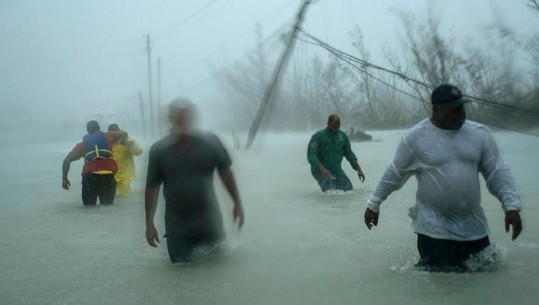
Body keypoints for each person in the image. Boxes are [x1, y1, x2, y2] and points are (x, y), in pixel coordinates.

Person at [364, 83, 523, 271]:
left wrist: (511, 206)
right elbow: (394, 174)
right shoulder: (415, 138)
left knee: (483, 285)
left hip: (474, 229)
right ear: (436, 109)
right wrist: (374, 204)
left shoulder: (480, 134)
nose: (459, 113)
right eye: (453, 109)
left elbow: (497, 172)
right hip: (433, 232)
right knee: (441, 289)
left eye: (461, 107)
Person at [144, 98, 245, 263]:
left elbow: (226, 173)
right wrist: (149, 223)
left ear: (193, 119)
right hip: (177, 229)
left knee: (218, 275)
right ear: (171, 119)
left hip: (210, 224)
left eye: (186, 118)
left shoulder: (211, 143)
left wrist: (237, 203)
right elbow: (152, 187)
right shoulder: (159, 150)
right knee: (180, 276)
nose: (183, 122)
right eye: (178, 118)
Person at [62, 120, 127, 205]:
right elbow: (124, 134)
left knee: (89, 208)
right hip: (107, 176)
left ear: (87, 131)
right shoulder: (109, 135)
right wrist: (123, 141)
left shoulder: (82, 145)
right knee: (107, 208)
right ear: (99, 129)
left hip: (90, 178)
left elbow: (66, 161)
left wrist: (65, 179)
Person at [307, 114, 366, 192]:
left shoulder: (342, 136)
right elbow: (311, 155)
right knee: (331, 193)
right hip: (320, 170)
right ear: (328, 124)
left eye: (338, 127)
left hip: (336, 170)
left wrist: (358, 169)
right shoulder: (318, 136)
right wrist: (322, 168)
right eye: (334, 127)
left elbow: (349, 154)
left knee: (349, 190)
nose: (336, 129)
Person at [107, 123, 143, 197]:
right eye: (112, 135)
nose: (114, 136)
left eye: (115, 134)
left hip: (124, 175)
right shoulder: (106, 140)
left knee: (125, 198)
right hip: (110, 174)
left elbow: (139, 151)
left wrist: (129, 144)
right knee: (109, 199)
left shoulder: (127, 139)